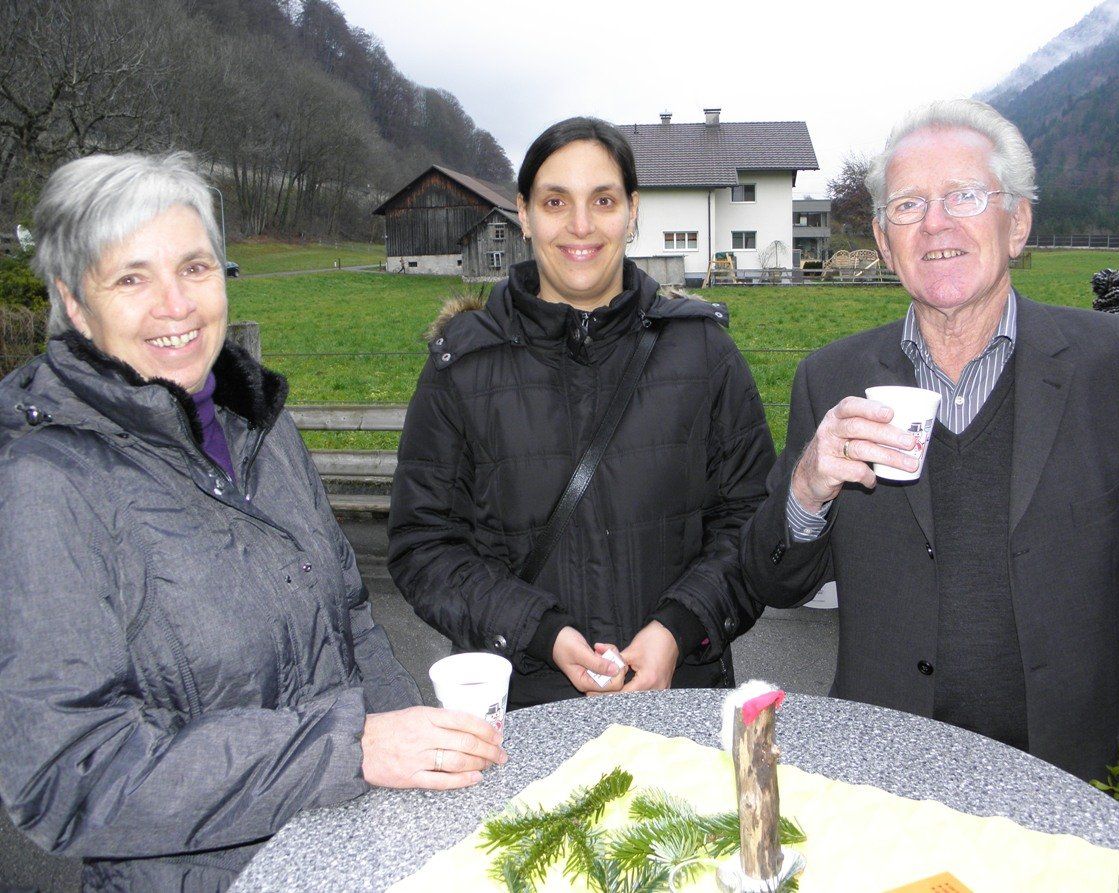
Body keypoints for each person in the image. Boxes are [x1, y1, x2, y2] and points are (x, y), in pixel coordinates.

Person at [0, 152, 506, 892]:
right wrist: (349, 749)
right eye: (132, 278)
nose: (176, 304)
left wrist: (421, 766)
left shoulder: (258, 427)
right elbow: (67, 775)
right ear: (75, 303)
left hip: (349, 856)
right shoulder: (44, 484)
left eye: (195, 267)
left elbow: (351, 618)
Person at [739, 99, 1119, 782]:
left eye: (964, 196)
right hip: (890, 773)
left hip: (1087, 773)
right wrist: (806, 491)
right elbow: (776, 579)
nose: (935, 223)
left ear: (1018, 223)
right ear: (885, 242)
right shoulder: (830, 379)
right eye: (908, 205)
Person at [388, 117, 774, 710]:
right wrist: (539, 631)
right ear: (523, 214)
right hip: (527, 708)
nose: (581, 226)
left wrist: (678, 627)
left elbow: (751, 522)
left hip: (681, 701)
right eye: (555, 202)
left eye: (603, 200)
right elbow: (424, 545)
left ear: (632, 211)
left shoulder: (704, 353)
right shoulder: (462, 367)